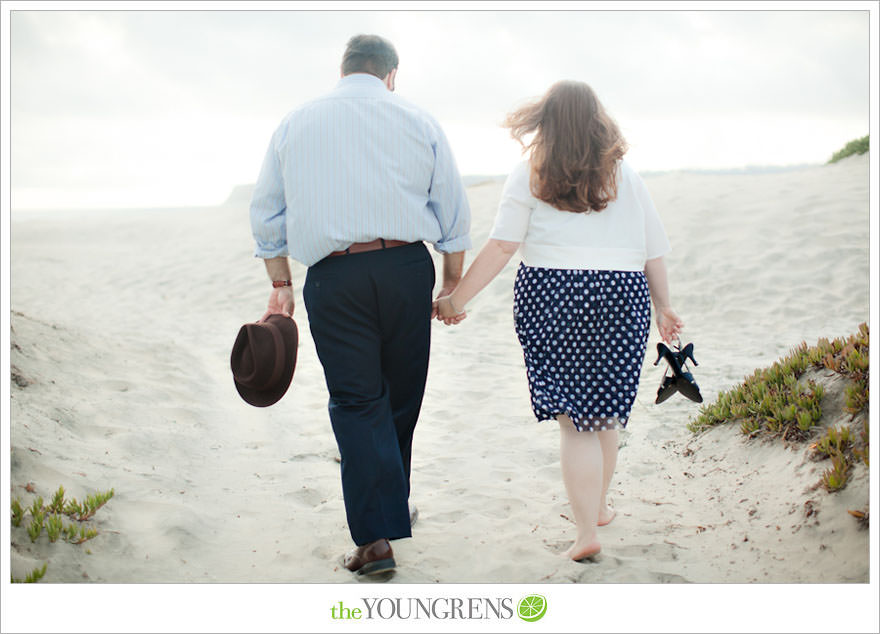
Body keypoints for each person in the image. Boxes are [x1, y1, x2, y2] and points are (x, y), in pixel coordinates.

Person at [249, 34, 471, 576]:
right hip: (406, 271)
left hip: (333, 276)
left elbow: (266, 211)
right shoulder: (420, 120)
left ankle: (376, 537)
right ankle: (387, 511)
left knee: (354, 400)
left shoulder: (295, 122)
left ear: (343, 69)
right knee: (400, 395)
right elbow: (453, 213)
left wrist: (279, 282)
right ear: (391, 74)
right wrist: (450, 285)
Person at [435, 80, 682, 561]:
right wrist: (663, 306)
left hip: (554, 296)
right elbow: (654, 251)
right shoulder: (625, 175)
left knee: (575, 423)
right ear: (597, 120)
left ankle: (586, 530)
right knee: (603, 411)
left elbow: (503, 245)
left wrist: (455, 298)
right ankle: (600, 507)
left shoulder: (531, 172)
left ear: (545, 121)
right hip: (621, 298)